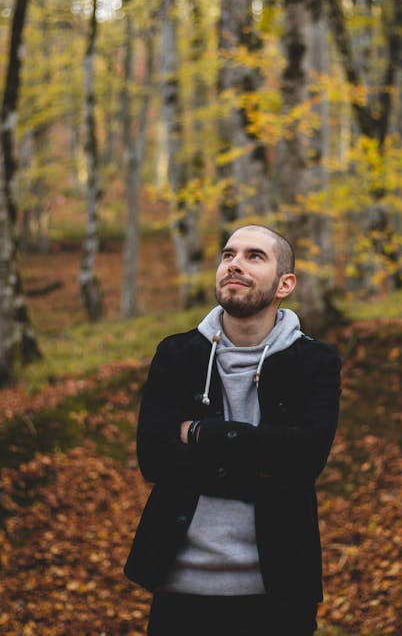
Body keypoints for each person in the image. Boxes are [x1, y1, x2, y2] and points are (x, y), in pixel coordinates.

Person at [124, 225, 341, 636]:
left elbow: (305, 458)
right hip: (178, 592)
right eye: (228, 255)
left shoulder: (315, 362)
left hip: (279, 595)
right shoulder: (176, 354)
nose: (235, 264)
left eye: (254, 256)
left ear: (285, 284)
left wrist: (204, 434)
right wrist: (262, 463)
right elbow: (153, 457)